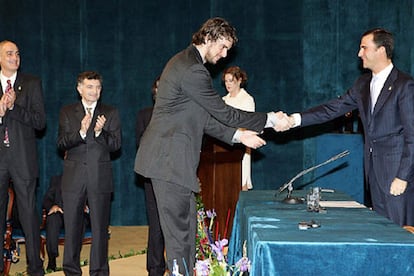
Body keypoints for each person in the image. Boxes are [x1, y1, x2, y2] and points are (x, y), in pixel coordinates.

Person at [134, 17, 291, 275]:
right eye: (223, 47)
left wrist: (240, 137)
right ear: (208, 38)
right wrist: (271, 119)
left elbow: (203, 118)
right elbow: (225, 113)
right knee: (178, 241)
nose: (225, 54)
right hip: (168, 163)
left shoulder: (186, 63)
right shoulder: (192, 70)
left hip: (172, 164)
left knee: (185, 238)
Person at [287, 28, 414, 227]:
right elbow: (332, 109)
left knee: (399, 236)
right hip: (373, 175)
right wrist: (294, 120)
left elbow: (412, 135)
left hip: (396, 177)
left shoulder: (404, 85)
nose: (359, 53)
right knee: (381, 233)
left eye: (364, 48)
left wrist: (402, 176)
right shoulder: (362, 84)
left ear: (381, 50)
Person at [57, 71, 121, 275]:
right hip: (73, 179)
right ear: (80, 89)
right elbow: (61, 143)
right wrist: (82, 133)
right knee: (73, 229)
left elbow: (116, 145)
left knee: (100, 229)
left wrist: (100, 133)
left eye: (97, 87)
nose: (94, 91)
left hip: (99, 178)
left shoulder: (110, 113)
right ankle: (71, 270)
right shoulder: (67, 112)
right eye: (90, 87)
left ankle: (99, 271)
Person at [0, 40, 45, 275]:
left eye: (17, 53)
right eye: (9, 54)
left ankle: (35, 267)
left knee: (28, 213)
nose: (14, 57)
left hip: (23, 159)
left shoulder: (31, 83)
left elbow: (40, 122)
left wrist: (14, 108)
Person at [136, 77, 166, 276]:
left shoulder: (179, 113)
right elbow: (140, 145)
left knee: (174, 226)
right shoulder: (144, 115)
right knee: (155, 224)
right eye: (158, 87)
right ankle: (154, 268)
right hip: (153, 176)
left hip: (176, 176)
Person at [222, 66, 255, 190]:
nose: (228, 84)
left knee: (241, 183)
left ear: (239, 80)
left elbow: (248, 125)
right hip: (224, 147)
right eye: (226, 81)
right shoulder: (223, 101)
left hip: (241, 147)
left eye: (231, 80)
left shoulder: (247, 100)